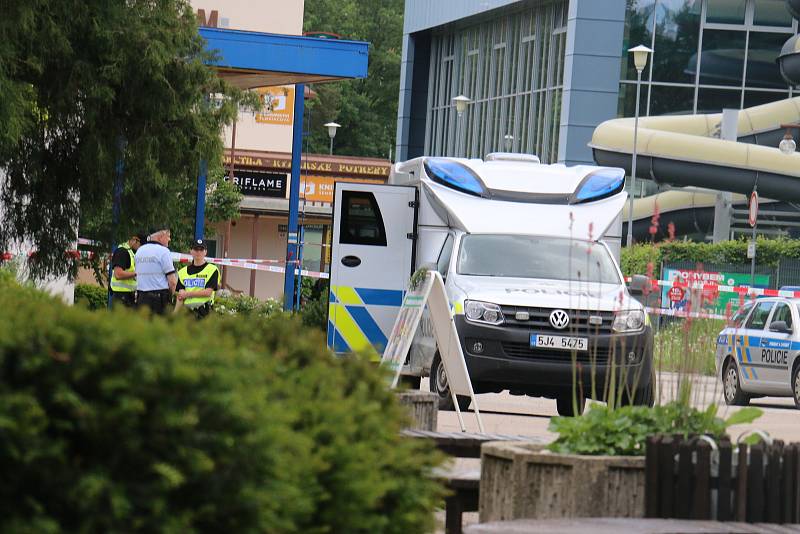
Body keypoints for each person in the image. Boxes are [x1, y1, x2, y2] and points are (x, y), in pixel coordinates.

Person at [134, 226, 176, 315]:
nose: (170, 239)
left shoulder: (139, 251)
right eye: (168, 236)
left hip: (141, 298)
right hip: (159, 300)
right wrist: (169, 297)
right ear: (161, 236)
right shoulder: (164, 251)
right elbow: (172, 282)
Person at [176, 239, 220, 319]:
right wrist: (175, 313)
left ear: (205, 252)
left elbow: (208, 292)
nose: (198, 252)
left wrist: (187, 294)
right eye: (196, 249)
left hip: (205, 313)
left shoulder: (212, 269)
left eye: (201, 249)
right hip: (187, 313)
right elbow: (180, 297)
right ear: (191, 251)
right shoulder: (182, 272)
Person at [109, 232, 145, 308]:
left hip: (127, 297)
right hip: (121, 298)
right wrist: (137, 273)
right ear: (135, 240)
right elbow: (118, 274)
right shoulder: (122, 252)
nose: (140, 248)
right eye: (140, 245)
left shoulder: (130, 253)